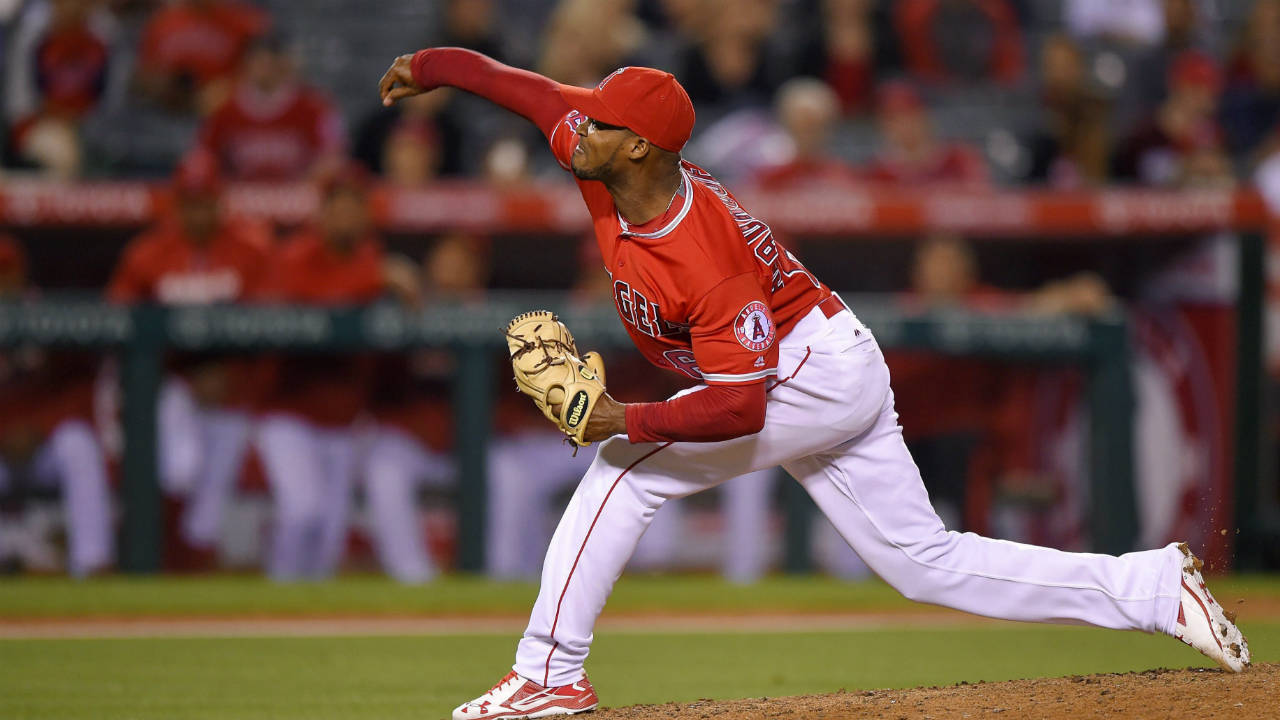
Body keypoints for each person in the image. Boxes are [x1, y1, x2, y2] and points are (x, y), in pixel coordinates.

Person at [379, 48, 1250, 719]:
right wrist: (430, 69)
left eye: (600, 123)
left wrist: (625, 414)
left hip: (807, 375)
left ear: (638, 145)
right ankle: (1149, 588)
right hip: (821, 357)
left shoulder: (704, 258)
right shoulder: (601, 150)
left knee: (621, 468)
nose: (579, 130)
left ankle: (548, 676)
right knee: (923, 564)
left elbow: (742, 406)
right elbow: (524, 87)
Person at [107, 150, 271, 568]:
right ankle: (149, 554)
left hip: (233, 387)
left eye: (206, 201)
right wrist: (179, 373)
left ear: (221, 201)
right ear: (176, 204)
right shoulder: (148, 252)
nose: (198, 212)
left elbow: (274, 325)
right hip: (170, 381)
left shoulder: (251, 247)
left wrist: (227, 373)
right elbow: (116, 324)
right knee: (178, 467)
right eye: (189, 202)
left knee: (212, 494)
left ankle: (190, 566)